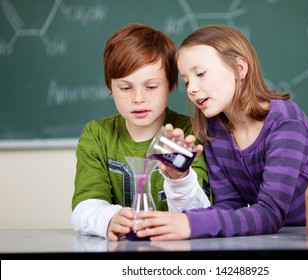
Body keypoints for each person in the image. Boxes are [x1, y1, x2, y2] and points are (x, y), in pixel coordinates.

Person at [132, 24, 308, 240]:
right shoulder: (215, 130)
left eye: (200, 74)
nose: (192, 89)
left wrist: (192, 224)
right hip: (281, 241)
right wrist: (182, 218)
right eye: (186, 81)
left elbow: (270, 212)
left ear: (239, 67)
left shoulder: (284, 120)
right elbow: (229, 204)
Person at [71, 23, 211, 241]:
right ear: (110, 86)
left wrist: (180, 178)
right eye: (125, 88)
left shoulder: (191, 132)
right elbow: (84, 208)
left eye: (151, 86)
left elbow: (203, 213)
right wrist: (108, 218)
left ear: (171, 83)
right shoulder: (97, 135)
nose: (138, 98)